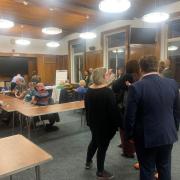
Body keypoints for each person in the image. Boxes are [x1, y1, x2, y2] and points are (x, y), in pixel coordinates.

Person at [125, 56, 180, 180]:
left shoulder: (136, 87)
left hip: (145, 137)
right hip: (167, 134)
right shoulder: (172, 83)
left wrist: (129, 136)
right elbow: (177, 111)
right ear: (156, 67)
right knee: (165, 167)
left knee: (146, 169)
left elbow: (129, 116)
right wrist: (174, 129)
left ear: (141, 68)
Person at [85, 67, 118, 180]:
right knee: (102, 147)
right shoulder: (108, 93)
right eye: (107, 74)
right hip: (105, 126)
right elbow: (114, 112)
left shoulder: (89, 90)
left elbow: (87, 109)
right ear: (103, 77)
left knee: (94, 141)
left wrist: (89, 123)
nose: (109, 76)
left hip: (94, 124)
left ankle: (88, 161)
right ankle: (100, 172)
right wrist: (118, 125)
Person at [112, 60, 140, 158]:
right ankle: (133, 148)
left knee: (124, 129)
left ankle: (128, 151)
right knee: (136, 128)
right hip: (138, 107)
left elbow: (114, 86)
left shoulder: (127, 76)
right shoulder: (139, 77)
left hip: (126, 106)